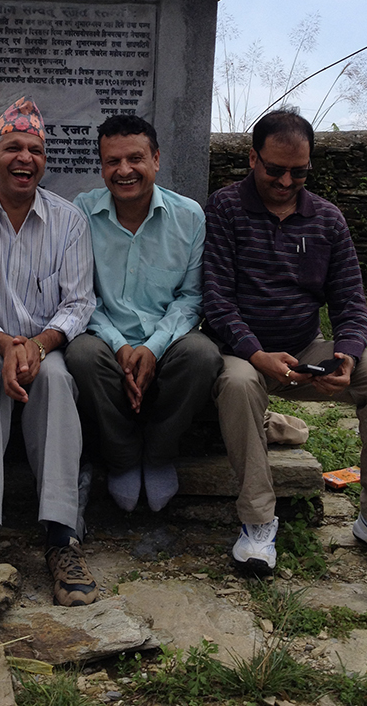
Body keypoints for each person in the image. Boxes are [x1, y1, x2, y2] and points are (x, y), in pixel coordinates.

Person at [203, 108, 367, 576]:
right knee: (239, 384)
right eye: (275, 169)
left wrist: (347, 355)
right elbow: (216, 299)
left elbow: (351, 302)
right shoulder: (224, 208)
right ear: (252, 158)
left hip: (307, 350)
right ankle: (258, 521)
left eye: (300, 171)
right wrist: (256, 354)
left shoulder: (327, 218)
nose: (287, 181)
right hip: (242, 354)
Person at [0, 97, 99, 606]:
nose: (25, 158)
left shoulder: (69, 221)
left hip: (43, 345)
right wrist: (6, 344)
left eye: (35, 149)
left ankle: (62, 537)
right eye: (13, 148)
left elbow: (78, 303)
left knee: (56, 379)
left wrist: (37, 345)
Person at [66, 114, 223, 513]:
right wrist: (120, 345)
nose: (124, 171)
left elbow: (190, 297)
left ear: (155, 159)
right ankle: (121, 456)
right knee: (81, 356)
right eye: (112, 161)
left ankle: (158, 454)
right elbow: (81, 295)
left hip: (168, 337)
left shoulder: (189, 216)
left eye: (135, 158)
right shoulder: (81, 213)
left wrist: (153, 347)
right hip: (103, 337)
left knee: (202, 355)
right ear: (101, 166)